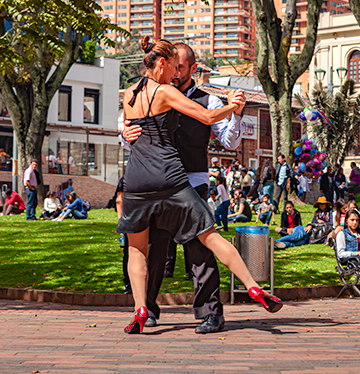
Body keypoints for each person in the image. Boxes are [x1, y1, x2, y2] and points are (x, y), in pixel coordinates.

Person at [117, 37, 282, 335]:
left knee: (159, 251)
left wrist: (237, 113)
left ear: (192, 69)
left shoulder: (129, 92)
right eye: (173, 68)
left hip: (153, 180)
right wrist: (231, 106)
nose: (176, 74)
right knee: (200, 239)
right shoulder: (165, 91)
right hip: (169, 179)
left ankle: (168, 310)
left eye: (182, 68)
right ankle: (252, 286)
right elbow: (129, 132)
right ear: (163, 64)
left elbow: (230, 140)